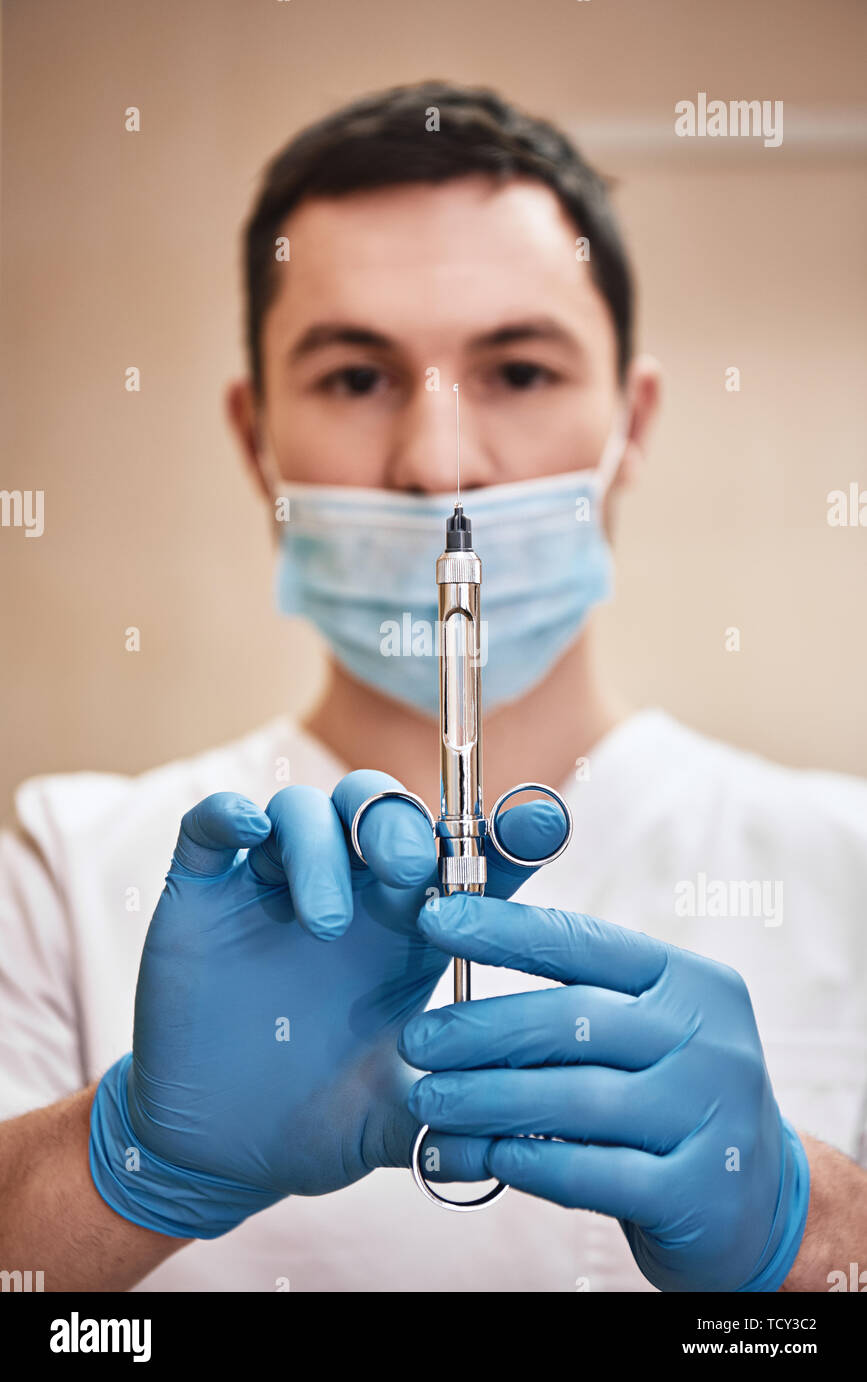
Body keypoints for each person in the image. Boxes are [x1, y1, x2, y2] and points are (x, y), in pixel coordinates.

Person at [1, 82, 865, 1294]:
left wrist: (809, 1232)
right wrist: (124, 1161)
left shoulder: (846, 862)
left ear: (635, 418)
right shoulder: (65, 865)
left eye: (516, 368)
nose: (429, 462)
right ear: (257, 442)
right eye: (357, 377)